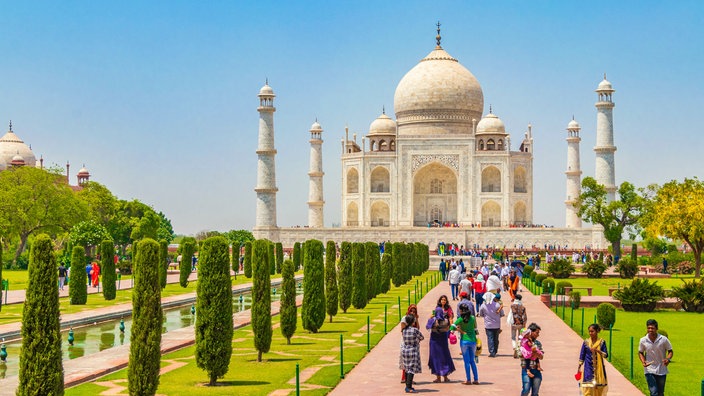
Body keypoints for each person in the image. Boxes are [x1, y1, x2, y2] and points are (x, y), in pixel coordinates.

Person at [639, 319, 673, 396]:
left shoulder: (663, 339)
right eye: (648, 328)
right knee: (653, 392)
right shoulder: (643, 340)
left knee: (660, 393)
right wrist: (643, 361)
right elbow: (640, 352)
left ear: (656, 329)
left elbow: (670, 351)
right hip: (649, 370)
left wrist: (668, 359)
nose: (650, 330)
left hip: (661, 369)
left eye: (652, 328)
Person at [451, 301, 479, 385]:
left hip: (464, 341)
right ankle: (476, 379)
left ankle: (468, 379)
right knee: (472, 361)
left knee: (466, 361)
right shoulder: (473, 318)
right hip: (473, 341)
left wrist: (459, 330)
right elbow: (475, 328)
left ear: (461, 311)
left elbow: (452, 326)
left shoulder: (460, 319)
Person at [426, 306, 455, 383]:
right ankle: (445, 377)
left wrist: (430, 318)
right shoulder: (445, 321)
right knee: (444, 358)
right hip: (443, 342)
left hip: (434, 342)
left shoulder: (432, 320)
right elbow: (448, 328)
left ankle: (438, 377)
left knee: (435, 358)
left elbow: (427, 327)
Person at [578, 323, 609, 395]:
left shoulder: (601, 342)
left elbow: (606, 355)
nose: (590, 333)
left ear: (597, 331)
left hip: (599, 369)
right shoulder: (586, 342)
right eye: (589, 331)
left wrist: (598, 351)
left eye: (592, 331)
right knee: (588, 387)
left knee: (598, 388)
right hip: (588, 367)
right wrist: (579, 366)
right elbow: (582, 354)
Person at [399, 314, 424, 393]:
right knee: (411, 369)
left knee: (407, 368)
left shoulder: (404, 330)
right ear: (413, 322)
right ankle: (408, 387)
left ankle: (407, 385)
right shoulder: (414, 330)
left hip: (405, 350)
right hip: (413, 350)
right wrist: (416, 340)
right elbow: (421, 337)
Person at [478, 292, 504, 357]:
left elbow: (481, 314)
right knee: (496, 338)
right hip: (497, 325)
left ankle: (492, 352)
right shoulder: (497, 305)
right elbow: (502, 314)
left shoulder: (483, 305)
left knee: (490, 338)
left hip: (488, 325)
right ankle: (495, 350)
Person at [521, 323, 543, 396]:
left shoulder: (538, 343)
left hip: (536, 370)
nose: (538, 335)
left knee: (535, 392)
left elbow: (541, 357)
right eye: (537, 333)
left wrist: (536, 353)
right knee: (526, 390)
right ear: (531, 332)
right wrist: (532, 354)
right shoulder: (523, 341)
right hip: (526, 369)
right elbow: (520, 355)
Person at [400, 304, 420, 384]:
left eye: (414, 311)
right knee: (405, 361)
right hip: (406, 342)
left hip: (414, 342)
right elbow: (403, 331)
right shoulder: (405, 318)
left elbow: (418, 328)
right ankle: (405, 379)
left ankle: (408, 379)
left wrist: (417, 319)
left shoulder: (414, 319)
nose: (412, 312)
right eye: (411, 311)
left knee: (411, 362)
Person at [509, 294, 528, 358]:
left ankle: (514, 347)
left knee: (513, 337)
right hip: (521, 324)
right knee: (520, 338)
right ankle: (518, 349)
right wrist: (524, 325)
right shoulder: (523, 307)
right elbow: (525, 317)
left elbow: (512, 314)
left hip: (514, 324)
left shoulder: (512, 306)